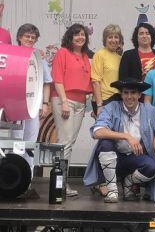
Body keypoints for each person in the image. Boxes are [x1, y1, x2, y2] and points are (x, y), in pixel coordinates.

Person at [83, 78, 155, 203]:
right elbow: (97, 131)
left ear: (139, 95)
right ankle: (112, 190)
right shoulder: (112, 107)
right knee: (105, 144)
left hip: (135, 158)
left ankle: (129, 182)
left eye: (133, 92)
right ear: (121, 94)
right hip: (114, 159)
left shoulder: (150, 111)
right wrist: (126, 136)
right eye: (126, 92)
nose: (129, 96)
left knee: (152, 167)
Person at [51, 23, 92, 197]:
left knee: (70, 143)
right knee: (64, 143)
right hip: (64, 101)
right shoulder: (63, 52)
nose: (80, 37)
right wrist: (64, 102)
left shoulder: (84, 56)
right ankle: (59, 184)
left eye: (83, 34)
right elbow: (57, 78)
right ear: (70, 37)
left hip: (80, 103)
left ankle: (62, 183)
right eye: (76, 35)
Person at [92, 25, 124, 114]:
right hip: (104, 100)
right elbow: (95, 81)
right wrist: (99, 105)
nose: (113, 40)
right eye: (110, 37)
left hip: (117, 99)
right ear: (105, 39)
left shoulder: (120, 58)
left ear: (120, 40)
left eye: (116, 37)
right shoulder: (99, 55)